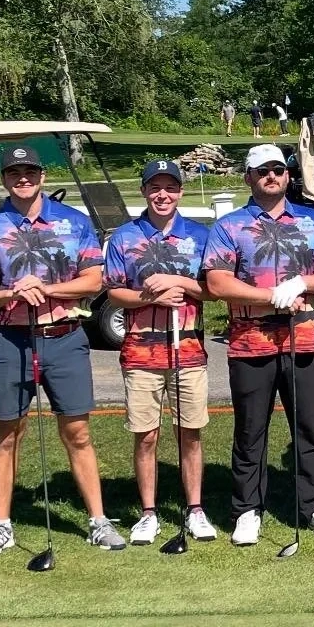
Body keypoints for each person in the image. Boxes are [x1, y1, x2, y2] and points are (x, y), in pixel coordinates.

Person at [0, 144, 125, 554]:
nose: (23, 178)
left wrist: (47, 289)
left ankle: (98, 520)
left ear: (42, 176)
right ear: (4, 179)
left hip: (65, 337)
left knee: (77, 431)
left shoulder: (73, 222)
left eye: (30, 171)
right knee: (8, 432)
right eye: (14, 173)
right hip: (11, 340)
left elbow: (94, 280)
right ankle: (1, 525)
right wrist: (11, 293)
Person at [202, 144, 314, 544]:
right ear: (248, 177)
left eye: (278, 170)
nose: (271, 176)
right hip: (251, 341)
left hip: (302, 338)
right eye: (262, 170)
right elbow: (217, 282)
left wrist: (300, 283)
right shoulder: (230, 226)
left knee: (309, 427)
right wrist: (270, 296)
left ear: (287, 175)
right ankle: (247, 509)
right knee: (250, 431)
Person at [103, 159, 218, 545]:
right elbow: (114, 292)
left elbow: (213, 289)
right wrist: (149, 296)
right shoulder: (124, 237)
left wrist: (176, 280)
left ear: (180, 192)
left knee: (190, 432)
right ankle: (149, 513)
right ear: (144, 191)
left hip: (188, 349)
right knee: (146, 435)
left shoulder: (200, 236)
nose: (162, 195)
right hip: (141, 352)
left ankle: (195, 509)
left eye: (170, 187)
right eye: (155, 188)